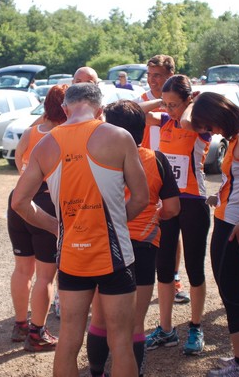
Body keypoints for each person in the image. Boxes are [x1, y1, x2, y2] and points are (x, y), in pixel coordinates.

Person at [11, 83, 149, 377]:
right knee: (122, 341)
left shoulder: (44, 145)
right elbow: (141, 197)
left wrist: (56, 227)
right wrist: (115, 224)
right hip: (114, 254)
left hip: (73, 254)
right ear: (100, 110)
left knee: (69, 339)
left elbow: (19, 202)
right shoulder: (118, 136)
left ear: (64, 109)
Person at [85, 99, 180, 377]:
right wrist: (154, 216)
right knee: (135, 323)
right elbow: (173, 208)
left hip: (106, 245)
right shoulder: (157, 159)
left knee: (101, 320)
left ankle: (96, 372)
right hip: (143, 245)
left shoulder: (96, 158)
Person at [188, 92, 239, 376]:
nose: (211, 132)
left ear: (220, 114)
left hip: (237, 225)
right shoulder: (236, 136)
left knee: (233, 295)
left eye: (210, 125)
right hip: (228, 220)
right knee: (236, 293)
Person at [143, 75, 211, 356]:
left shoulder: (199, 125)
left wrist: (188, 104)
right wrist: (162, 100)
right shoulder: (164, 120)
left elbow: (186, 121)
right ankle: (166, 329)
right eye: (167, 105)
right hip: (168, 202)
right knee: (164, 269)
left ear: (188, 100)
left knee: (194, 268)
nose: (171, 110)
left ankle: (196, 326)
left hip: (194, 202)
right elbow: (134, 110)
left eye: (175, 104)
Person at [7, 84, 68, 352]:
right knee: (46, 275)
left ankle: (21, 324)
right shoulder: (64, 134)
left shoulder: (33, 131)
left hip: (18, 198)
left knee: (22, 268)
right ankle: (37, 332)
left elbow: (19, 158)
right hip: (46, 202)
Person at [135, 55, 188, 303]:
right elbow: (131, 113)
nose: (152, 79)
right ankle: (138, 278)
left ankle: (173, 278)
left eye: (157, 75)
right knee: (144, 224)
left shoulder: (180, 103)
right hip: (145, 168)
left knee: (170, 227)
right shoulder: (144, 101)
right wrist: (160, 101)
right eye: (149, 75)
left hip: (172, 170)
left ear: (170, 76)